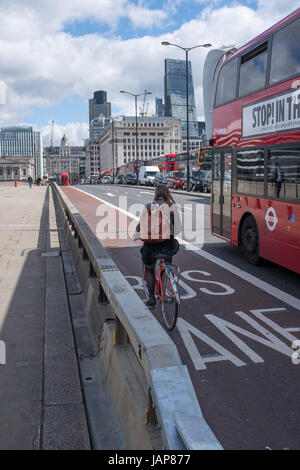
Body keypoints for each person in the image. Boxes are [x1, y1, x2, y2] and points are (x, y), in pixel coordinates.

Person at [133, 184, 181, 307]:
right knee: (167, 258)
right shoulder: (171, 207)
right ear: (167, 194)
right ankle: (167, 275)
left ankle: (151, 298)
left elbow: (140, 226)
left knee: (149, 268)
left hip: (151, 245)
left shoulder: (148, 207)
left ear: (156, 194)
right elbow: (178, 230)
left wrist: (136, 235)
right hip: (166, 245)